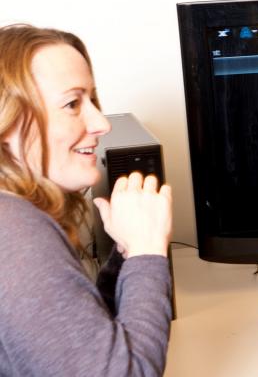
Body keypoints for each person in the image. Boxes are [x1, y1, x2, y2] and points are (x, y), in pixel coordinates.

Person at [0, 24, 173, 376]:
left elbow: (82, 342)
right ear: (7, 123)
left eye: (93, 100)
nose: (101, 122)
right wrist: (147, 252)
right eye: (72, 103)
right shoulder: (15, 233)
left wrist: (127, 256)